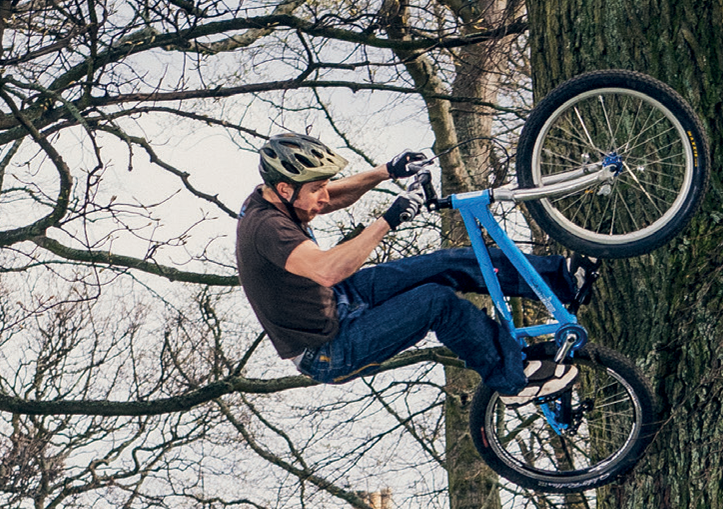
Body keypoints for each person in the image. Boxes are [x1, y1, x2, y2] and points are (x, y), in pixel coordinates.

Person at [235, 132, 598, 404]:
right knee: (436, 302)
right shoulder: (267, 229)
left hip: (338, 300)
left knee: (447, 261)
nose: (325, 197)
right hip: (329, 348)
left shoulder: (278, 195)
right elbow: (330, 269)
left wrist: (386, 171)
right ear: (284, 189)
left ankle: (563, 281)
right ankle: (515, 382)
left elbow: (333, 195)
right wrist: (391, 217)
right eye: (317, 189)